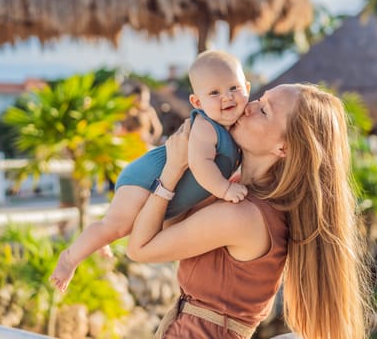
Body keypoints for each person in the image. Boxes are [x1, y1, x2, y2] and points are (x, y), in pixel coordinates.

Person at [126, 84, 373, 339]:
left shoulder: (243, 216)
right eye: (258, 99)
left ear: (284, 148)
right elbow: (167, 226)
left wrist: (172, 170)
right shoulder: (232, 188)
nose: (246, 108)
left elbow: (139, 248)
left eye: (263, 111)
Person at [49, 50, 250, 292]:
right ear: (197, 103)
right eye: (214, 93)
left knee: (121, 225)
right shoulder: (206, 127)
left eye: (234, 88)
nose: (227, 97)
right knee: (117, 226)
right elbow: (200, 165)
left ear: (247, 87)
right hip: (145, 177)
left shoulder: (237, 125)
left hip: (157, 181)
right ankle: (70, 258)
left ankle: (103, 235)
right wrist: (225, 189)